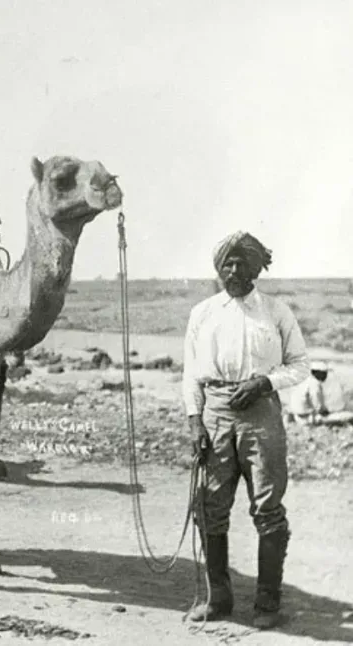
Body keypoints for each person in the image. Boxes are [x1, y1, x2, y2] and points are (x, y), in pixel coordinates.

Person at [182, 231, 309, 629]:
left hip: (262, 414)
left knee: (268, 510)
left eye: (242, 263)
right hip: (215, 413)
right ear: (218, 269)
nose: (234, 270)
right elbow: (190, 373)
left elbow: (300, 365)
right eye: (227, 264)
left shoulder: (276, 311)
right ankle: (217, 598)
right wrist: (194, 421)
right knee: (209, 508)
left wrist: (264, 383)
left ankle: (267, 604)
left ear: (257, 268)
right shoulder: (203, 313)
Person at [287, 361, 349, 426]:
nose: (326, 375)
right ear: (315, 373)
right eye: (323, 373)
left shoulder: (303, 380)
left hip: (298, 415)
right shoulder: (314, 384)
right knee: (347, 416)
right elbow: (317, 406)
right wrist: (328, 411)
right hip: (307, 418)